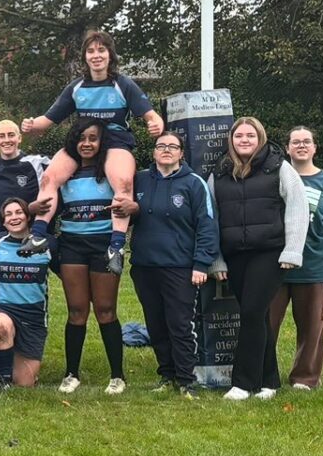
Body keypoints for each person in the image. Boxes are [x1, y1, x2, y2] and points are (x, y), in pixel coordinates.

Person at [21, 32, 164, 269]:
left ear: (110, 55)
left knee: (123, 183)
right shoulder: (76, 87)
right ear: (85, 57)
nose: (96, 55)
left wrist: (155, 123)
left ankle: (115, 248)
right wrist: (31, 124)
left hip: (115, 141)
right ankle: (37, 236)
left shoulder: (123, 84)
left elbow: (151, 115)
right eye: (91, 51)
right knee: (50, 177)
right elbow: (48, 120)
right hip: (83, 141)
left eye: (101, 50)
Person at [207, 116, 309, 400]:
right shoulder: (220, 171)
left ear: (260, 138)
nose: (244, 140)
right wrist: (215, 258)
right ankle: (269, 382)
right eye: (239, 136)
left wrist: (293, 250)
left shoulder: (280, 167)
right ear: (232, 140)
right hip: (235, 255)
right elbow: (210, 216)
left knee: (250, 312)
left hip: (270, 253)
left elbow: (298, 208)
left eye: (250, 136)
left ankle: (243, 383)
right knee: (259, 317)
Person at [115, 128, 217, 396]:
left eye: (173, 146)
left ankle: (186, 380)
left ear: (181, 153)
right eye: (161, 146)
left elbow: (207, 226)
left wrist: (201, 264)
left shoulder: (194, 183)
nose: (167, 150)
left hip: (180, 266)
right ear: (154, 152)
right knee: (156, 324)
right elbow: (126, 216)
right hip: (145, 266)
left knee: (180, 325)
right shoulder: (139, 180)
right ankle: (166, 374)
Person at [267, 126, 323, 391]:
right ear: (287, 148)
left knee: (313, 328)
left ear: (314, 148)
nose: (301, 146)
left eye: (307, 142)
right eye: (295, 142)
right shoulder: (275, 179)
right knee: (266, 324)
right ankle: (263, 373)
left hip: (316, 266)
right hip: (276, 266)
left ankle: (304, 378)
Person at [50, 123, 127, 395]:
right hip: (72, 245)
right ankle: (71, 373)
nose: (87, 143)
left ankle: (117, 376)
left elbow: (128, 203)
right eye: (81, 138)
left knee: (106, 310)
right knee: (77, 310)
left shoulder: (112, 170)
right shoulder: (64, 172)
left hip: (104, 244)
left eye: (93, 139)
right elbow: (47, 202)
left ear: (102, 142)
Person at [0, 198, 53, 388]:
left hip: (34, 315)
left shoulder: (47, 244)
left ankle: (8, 363)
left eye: (18, 212)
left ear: (28, 216)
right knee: (1, 327)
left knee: (25, 382)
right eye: (8, 214)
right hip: (3, 308)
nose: (14, 217)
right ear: (3, 221)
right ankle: (2, 381)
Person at [0, 119, 49, 236]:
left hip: (32, 238)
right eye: (1, 136)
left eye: (11, 135)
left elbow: (67, 162)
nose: (7, 140)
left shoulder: (37, 163)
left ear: (19, 138)